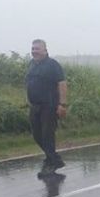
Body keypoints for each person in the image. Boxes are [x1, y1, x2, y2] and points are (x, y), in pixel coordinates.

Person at [26, 39, 68, 177]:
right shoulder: (32, 64)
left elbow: (61, 84)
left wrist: (62, 104)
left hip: (49, 105)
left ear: (45, 50)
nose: (34, 51)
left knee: (47, 135)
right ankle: (54, 159)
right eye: (33, 48)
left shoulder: (52, 65)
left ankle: (51, 162)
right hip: (35, 106)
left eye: (37, 48)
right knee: (37, 135)